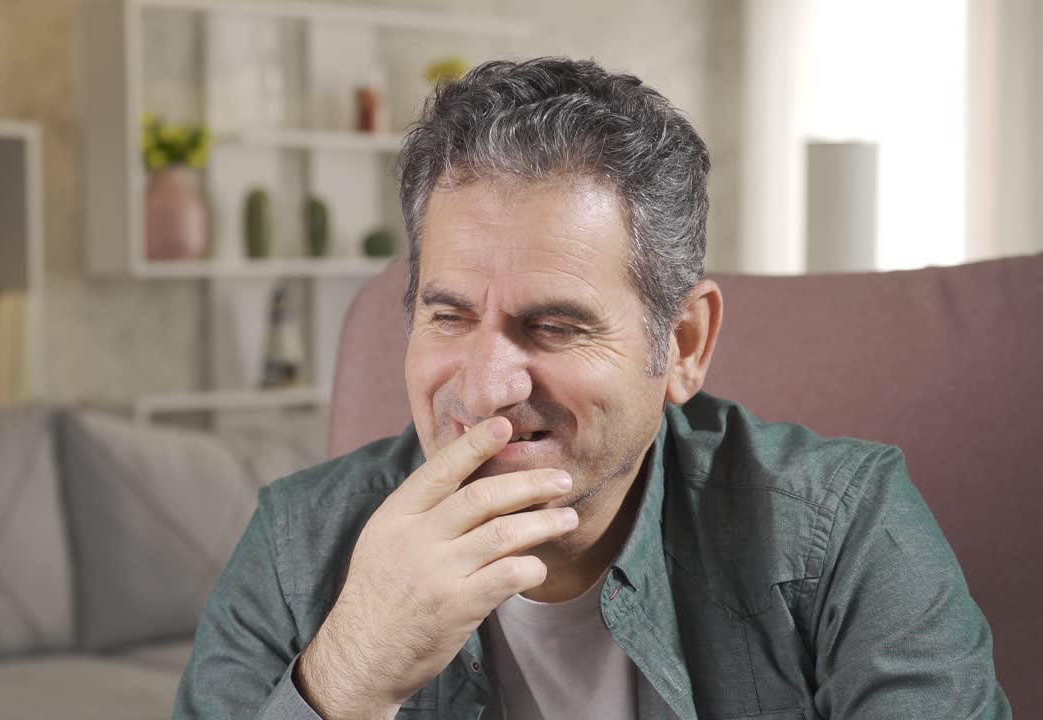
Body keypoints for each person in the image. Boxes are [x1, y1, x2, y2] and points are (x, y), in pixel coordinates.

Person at [173, 57, 1009, 719]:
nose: (489, 386)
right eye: (450, 317)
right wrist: (350, 677)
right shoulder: (296, 548)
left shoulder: (844, 531)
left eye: (554, 326)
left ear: (682, 345)